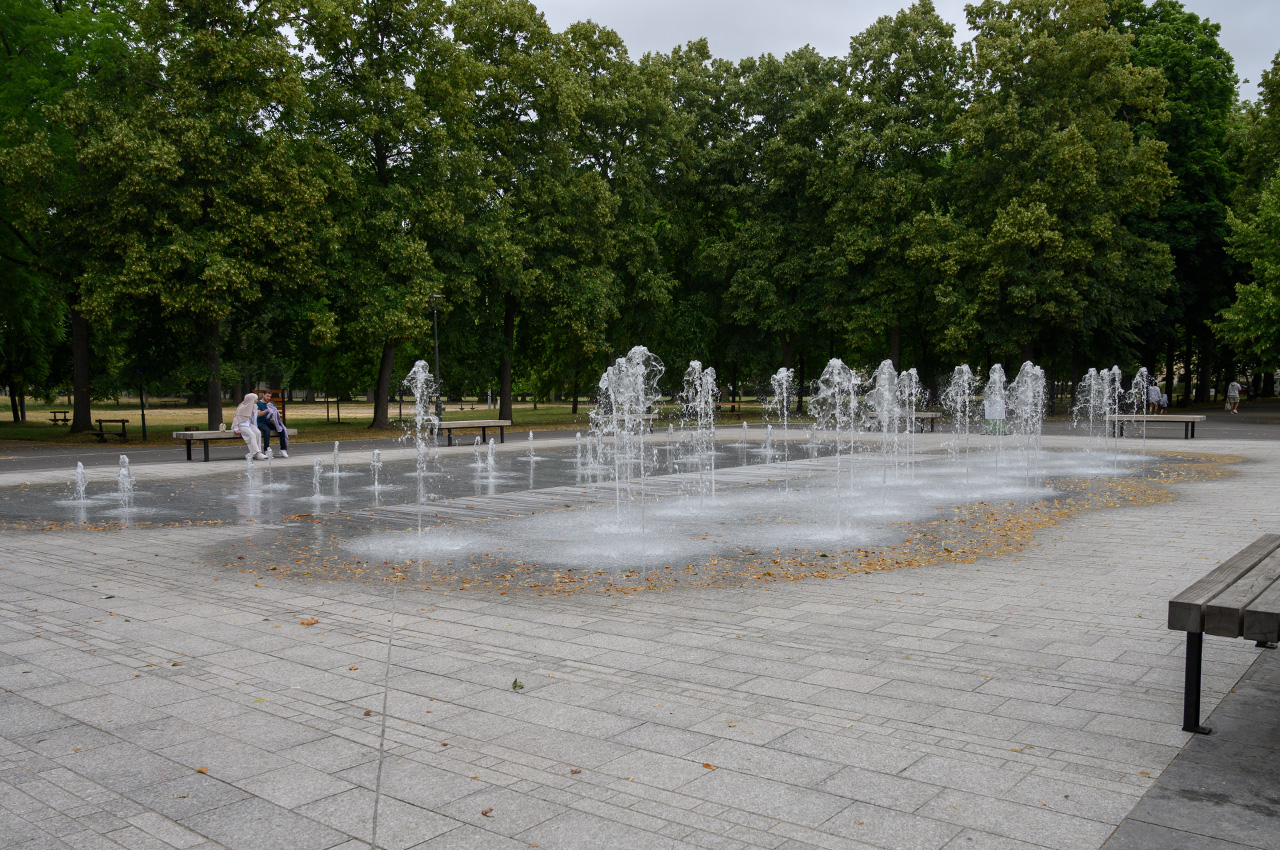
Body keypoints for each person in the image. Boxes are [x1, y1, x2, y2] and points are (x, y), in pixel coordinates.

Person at [232, 392, 267, 459]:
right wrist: (235, 428)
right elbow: (237, 418)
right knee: (252, 435)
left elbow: (253, 419)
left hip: (249, 424)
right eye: (255, 399)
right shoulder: (242, 407)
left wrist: (255, 427)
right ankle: (257, 453)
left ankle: (258, 451)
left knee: (258, 432)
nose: (257, 400)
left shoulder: (254, 407)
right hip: (242, 425)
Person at [256, 390, 289, 457]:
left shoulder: (271, 403)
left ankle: (283, 449)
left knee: (281, 429)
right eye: (267, 396)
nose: (268, 398)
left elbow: (274, 414)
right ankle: (266, 450)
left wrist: (273, 408)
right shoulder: (258, 403)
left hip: (268, 422)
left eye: (270, 396)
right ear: (263, 394)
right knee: (267, 430)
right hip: (260, 422)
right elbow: (258, 414)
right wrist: (267, 410)